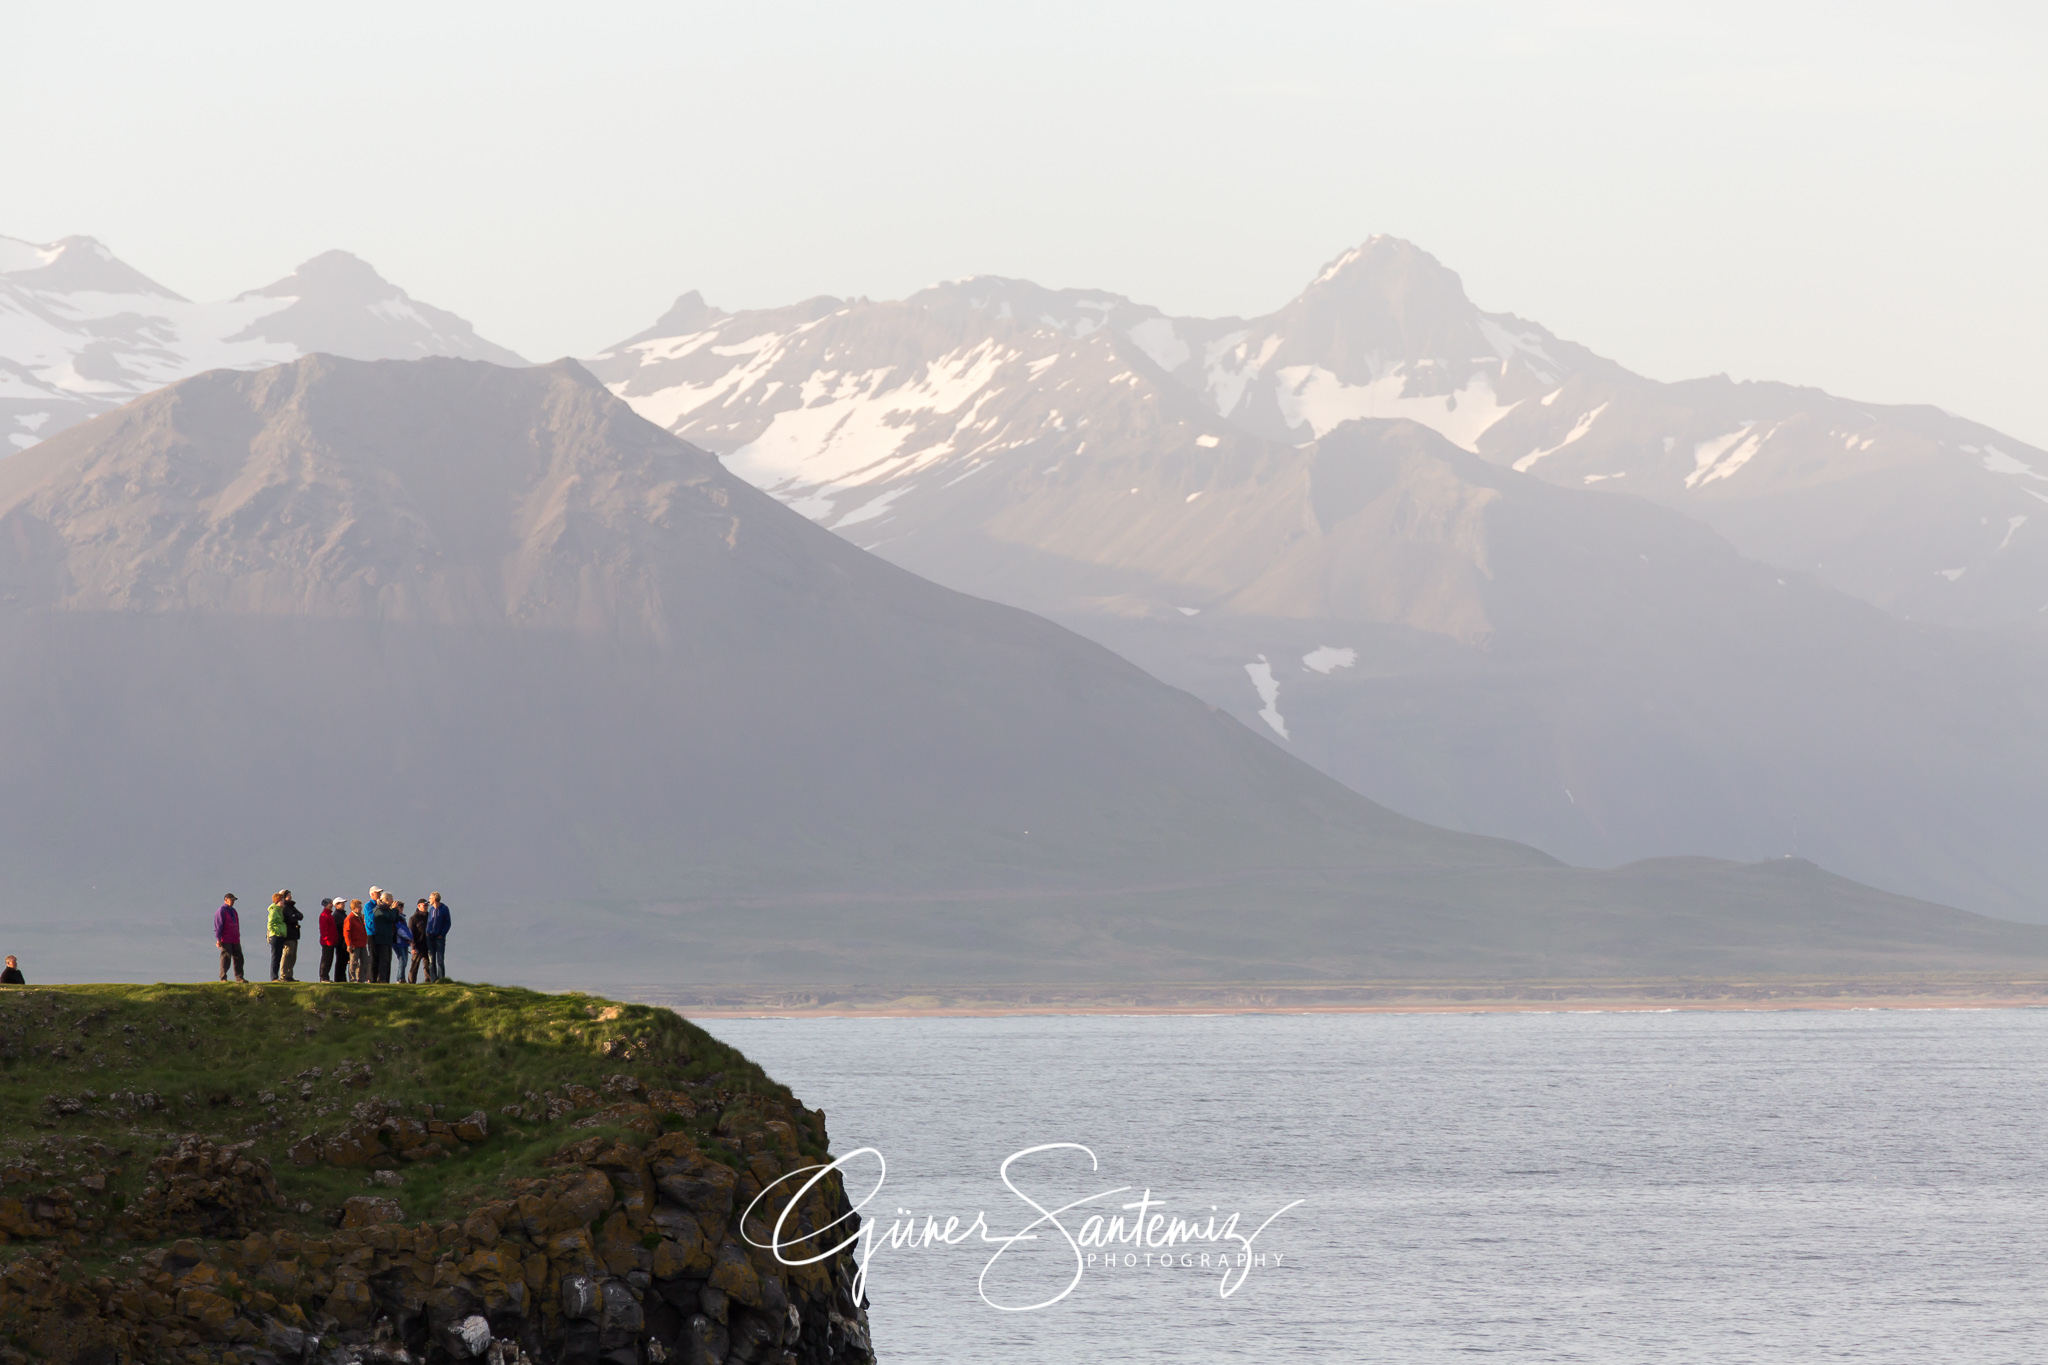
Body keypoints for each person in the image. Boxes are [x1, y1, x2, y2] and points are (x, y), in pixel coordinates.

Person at [369, 890, 399, 983]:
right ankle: (380, 979)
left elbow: (395, 919)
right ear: (386, 900)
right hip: (381, 939)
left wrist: (395, 910)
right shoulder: (378, 910)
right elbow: (390, 918)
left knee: (387, 960)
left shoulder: (387, 910)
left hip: (387, 939)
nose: (392, 901)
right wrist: (394, 909)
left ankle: (386, 980)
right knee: (382, 960)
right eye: (391, 899)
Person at [215, 894, 246, 982]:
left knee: (239, 958)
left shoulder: (233, 911)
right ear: (226, 900)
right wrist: (218, 939)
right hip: (226, 938)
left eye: (233, 900)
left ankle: (239, 977)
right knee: (225, 958)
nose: (233, 902)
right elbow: (218, 926)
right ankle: (223, 977)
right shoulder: (221, 911)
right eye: (231, 900)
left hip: (235, 938)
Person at [425, 892, 451, 982]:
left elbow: (448, 923)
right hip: (430, 937)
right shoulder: (431, 909)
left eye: (430, 898)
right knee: (431, 960)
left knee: (440, 960)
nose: (429, 900)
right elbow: (429, 922)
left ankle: (441, 979)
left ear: (434, 899)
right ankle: (433, 979)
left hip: (439, 938)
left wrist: (442, 934)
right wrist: (427, 932)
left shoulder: (444, 909)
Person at [343, 899, 369, 983]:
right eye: (358, 907)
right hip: (354, 944)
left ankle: (361, 979)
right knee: (353, 962)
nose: (360, 908)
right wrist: (349, 944)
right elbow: (347, 932)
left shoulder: (360, 917)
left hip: (362, 944)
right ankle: (352, 979)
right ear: (353, 908)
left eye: (360, 906)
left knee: (365, 961)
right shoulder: (350, 918)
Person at [279, 890, 302, 982]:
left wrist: (294, 915)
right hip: (288, 936)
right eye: (289, 895)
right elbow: (290, 918)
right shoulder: (284, 907)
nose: (291, 896)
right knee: (287, 955)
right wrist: (294, 916)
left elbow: (300, 916)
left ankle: (289, 975)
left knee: (292, 956)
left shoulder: (291, 906)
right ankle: (284, 975)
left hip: (294, 935)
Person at [406, 899, 432, 982]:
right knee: (414, 966)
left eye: (427, 905)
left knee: (428, 965)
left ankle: (428, 981)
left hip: (428, 945)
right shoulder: (414, 918)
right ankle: (411, 983)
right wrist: (413, 947)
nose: (426, 907)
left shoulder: (429, 916)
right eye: (424, 905)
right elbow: (411, 933)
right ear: (419, 906)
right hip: (418, 945)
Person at [317, 898, 340, 982]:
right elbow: (324, 930)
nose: (331, 905)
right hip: (327, 942)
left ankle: (326, 976)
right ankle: (323, 977)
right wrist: (327, 940)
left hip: (332, 941)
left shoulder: (329, 915)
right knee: (326, 959)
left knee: (330, 960)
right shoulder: (324, 915)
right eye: (330, 903)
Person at [393, 901, 414, 983]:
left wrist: (409, 937)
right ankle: (400, 978)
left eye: (402, 908)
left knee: (405, 961)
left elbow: (407, 929)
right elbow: (400, 930)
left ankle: (402, 977)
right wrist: (410, 937)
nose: (401, 909)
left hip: (404, 943)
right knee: (402, 960)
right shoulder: (396, 918)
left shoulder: (402, 918)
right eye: (399, 907)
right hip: (398, 943)